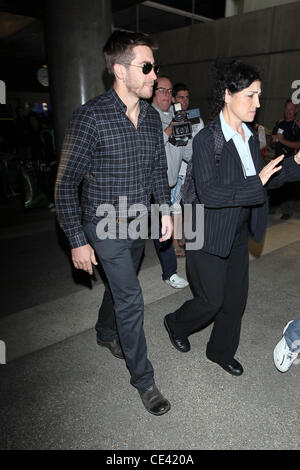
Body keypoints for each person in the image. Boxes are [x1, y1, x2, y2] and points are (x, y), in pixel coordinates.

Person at [55, 30, 172, 416]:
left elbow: (158, 170)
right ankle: (145, 381)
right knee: (131, 297)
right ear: (121, 71)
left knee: (121, 287)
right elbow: (65, 184)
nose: (155, 75)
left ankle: (106, 332)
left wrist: (166, 211)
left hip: (137, 222)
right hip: (103, 226)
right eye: (147, 67)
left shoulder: (153, 119)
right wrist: (76, 239)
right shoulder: (90, 118)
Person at [164, 58, 300, 376]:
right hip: (205, 227)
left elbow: (267, 176)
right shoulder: (206, 139)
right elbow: (211, 193)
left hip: (237, 228)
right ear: (228, 94)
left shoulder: (249, 136)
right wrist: (258, 182)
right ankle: (175, 323)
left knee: (235, 300)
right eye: (250, 95)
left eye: (259, 95)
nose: (257, 103)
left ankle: (220, 351)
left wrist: (296, 160)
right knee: (211, 300)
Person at [151, 76, 189, 287]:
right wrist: (170, 129)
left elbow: (186, 152)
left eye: (169, 91)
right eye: (161, 90)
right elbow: (152, 149)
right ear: (153, 93)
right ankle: (170, 272)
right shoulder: (148, 115)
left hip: (172, 182)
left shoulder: (176, 116)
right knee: (161, 228)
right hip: (154, 184)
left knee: (162, 226)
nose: (166, 95)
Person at [171, 83, 204, 256]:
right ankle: (175, 243)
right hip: (177, 169)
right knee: (175, 205)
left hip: (193, 168)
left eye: (187, 97)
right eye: (180, 97)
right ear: (173, 99)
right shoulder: (171, 116)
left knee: (188, 204)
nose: (184, 101)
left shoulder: (195, 116)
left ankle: (183, 237)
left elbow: (201, 140)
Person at [271, 99, 300, 219]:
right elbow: (273, 140)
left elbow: (298, 145)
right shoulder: (279, 123)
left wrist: (282, 140)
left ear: (296, 111)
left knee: (288, 187)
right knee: (274, 184)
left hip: (291, 161)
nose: (289, 111)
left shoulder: (296, 126)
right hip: (277, 160)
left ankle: (287, 211)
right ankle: (272, 207)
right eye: (287, 108)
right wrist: (274, 140)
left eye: (291, 109)